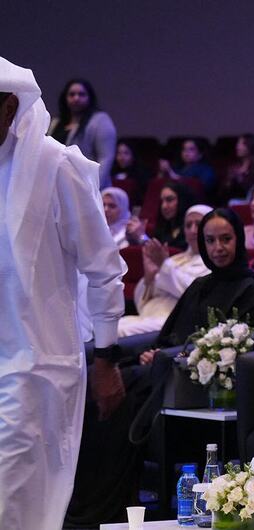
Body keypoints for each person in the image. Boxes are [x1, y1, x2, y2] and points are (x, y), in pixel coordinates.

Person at [0, 59, 126, 529]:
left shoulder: (57, 165)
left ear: (10, 106)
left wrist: (107, 359)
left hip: (39, 371)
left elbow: (104, 269)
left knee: (14, 505)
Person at [144, 208, 254, 350]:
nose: (218, 247)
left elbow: (239, 347)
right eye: (210, 240)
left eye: (226, 239)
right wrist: (155, 353)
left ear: (239, 239)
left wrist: (171, 356)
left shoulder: (249, 285)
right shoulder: (200, 285)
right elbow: (172, 335)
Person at [117, 205, 212, 338]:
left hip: (174, 322)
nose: (193, 230)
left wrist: (164, 265)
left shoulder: (212, 263)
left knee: (119, 332)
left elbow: (193, 293)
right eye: (188, 225)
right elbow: (140, 304)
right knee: (104, 328)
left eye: (199, 224)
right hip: (149, 317)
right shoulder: (175, 260)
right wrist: (149, 279)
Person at [47, 78, 117, 188]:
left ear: (90, 97)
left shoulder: (100, 121)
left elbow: (105, 159)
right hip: (57, 184)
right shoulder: (56, 123)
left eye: (81, 94)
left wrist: (93, 188)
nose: (76, 98)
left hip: (87, 184)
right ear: (65, 98)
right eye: (72, 94)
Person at [126, 181, 195, 250]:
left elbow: (171, 254)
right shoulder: (164, 226)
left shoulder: (192, 227)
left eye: (169, 200)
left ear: (182, 200)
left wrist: (141, 236)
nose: (164, 206)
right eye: (162, 201)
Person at [222, 133, 254, 203]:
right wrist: (228, 182)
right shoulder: (234, 167)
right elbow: (223, 194)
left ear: (251, 146)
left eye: (242, 144)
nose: (237, 147)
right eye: (238, 143)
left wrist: (240, 179)